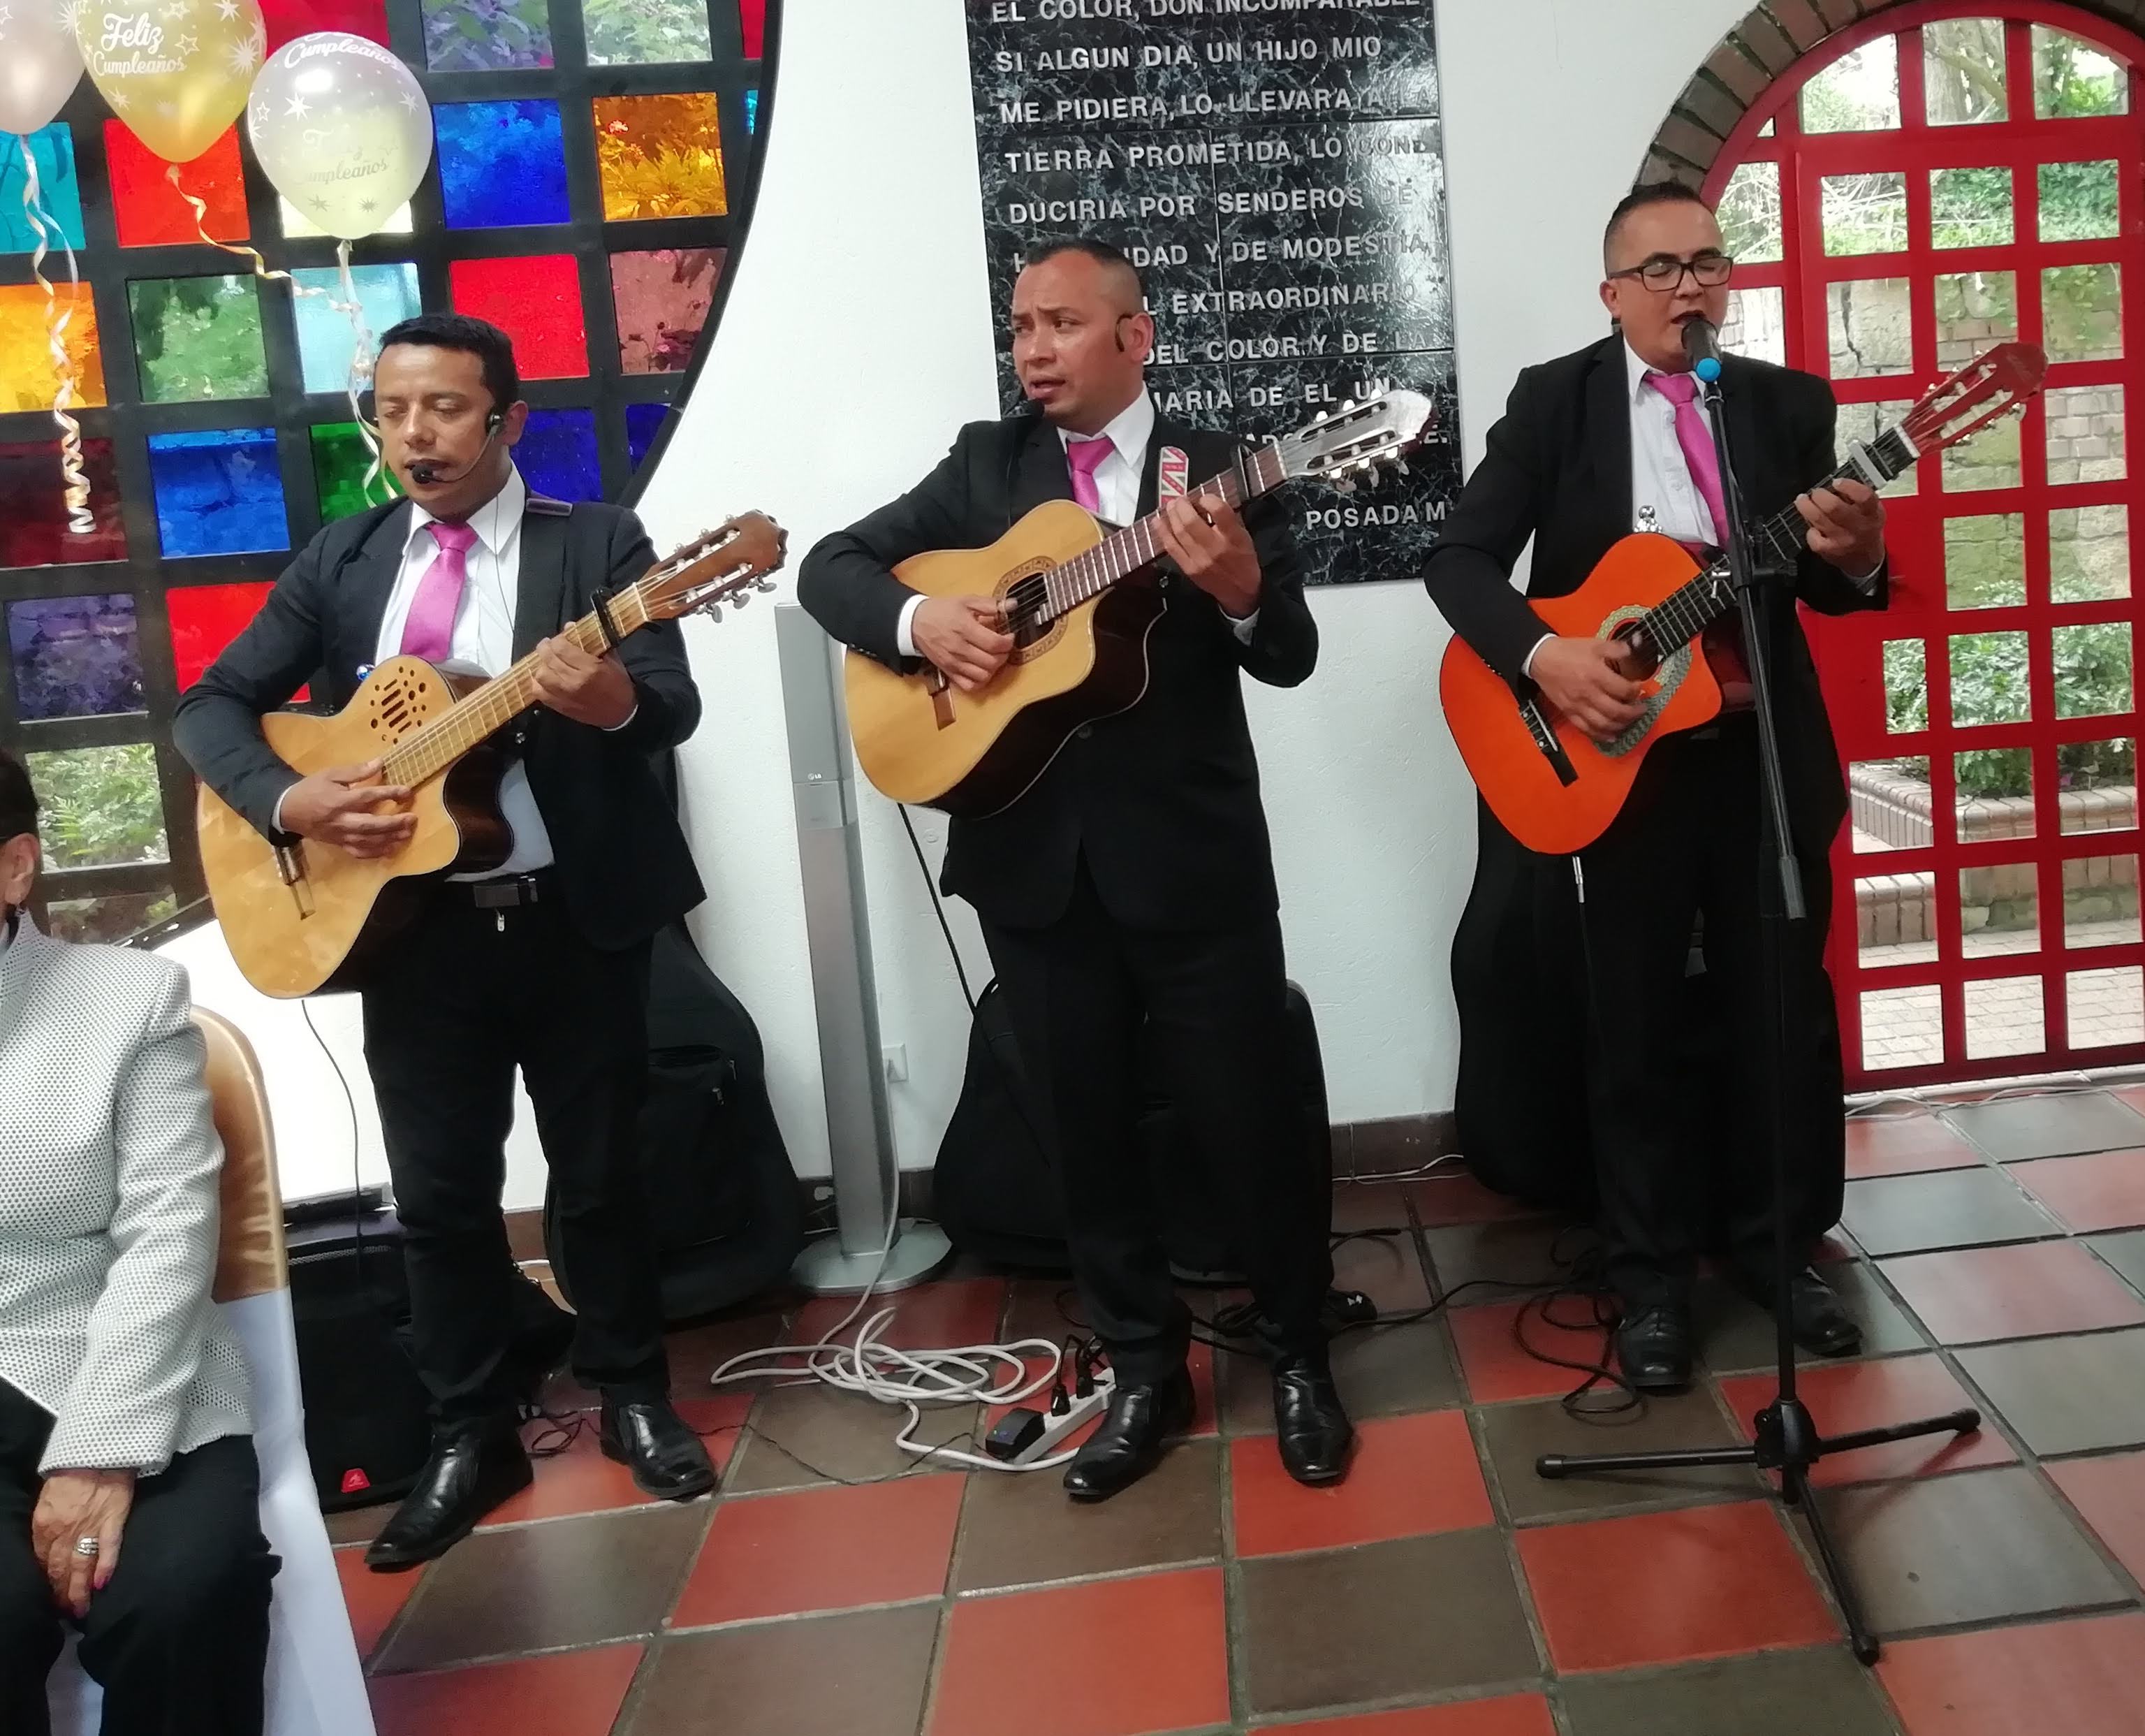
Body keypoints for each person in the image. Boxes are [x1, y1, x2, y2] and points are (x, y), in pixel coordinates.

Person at [799, 238, 1351, 1498]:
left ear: (1135, 337)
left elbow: (1291, 654)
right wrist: (920, 620)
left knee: (1249, 1118)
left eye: (1058, 323)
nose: (1032, 349)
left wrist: (1245, 587)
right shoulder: (988, 464)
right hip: (1029, 862)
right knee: (1084, 1132)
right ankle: (1144, 1368)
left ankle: (1301, 1351)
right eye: (1020, 326)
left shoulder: (1219, 469)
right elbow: (830, 565)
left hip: (1192, 860)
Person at [173, 312, 715, 1567]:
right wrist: (289, 799)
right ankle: (472, 1431)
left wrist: (614, 695)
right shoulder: (348, 558)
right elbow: (213, 706)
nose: (416, 434)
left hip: (577, 922)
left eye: (447, 410)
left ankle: (635, 1392)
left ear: (508, 420)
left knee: (602, 1174)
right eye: (396, 412)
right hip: (416, 938)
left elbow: (670, 709)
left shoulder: (603, 548)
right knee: (440, 1199)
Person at [1423, 183, 1889, 1391]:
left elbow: (1830, 585)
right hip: (1617, 762)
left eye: (1708, 264)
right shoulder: (1555, 402)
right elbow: (1459, 559)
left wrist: (1862, 552)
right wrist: (1549, 658)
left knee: (1778, 1015)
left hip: (1761, 763)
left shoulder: (1784, 404)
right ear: (1614, 292)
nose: (1691, 288)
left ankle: (1780, 1253)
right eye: (1663, 269)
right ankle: (1646, 1281)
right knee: (1627, 1022)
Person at [0, 749, 276, 1734]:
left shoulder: (128, 1001)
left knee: (187, 1598)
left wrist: (99, 1452)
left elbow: (169, 1230)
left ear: (15, 866)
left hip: (129, 1365)